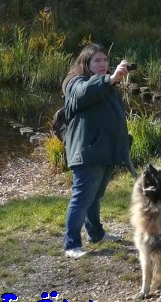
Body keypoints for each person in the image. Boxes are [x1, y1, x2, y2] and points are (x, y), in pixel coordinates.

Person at [61, 43, 134, 259]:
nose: (103, 65)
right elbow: (85, 93)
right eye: (97, 61)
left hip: (106, 152)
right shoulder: (75, 83)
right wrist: (109, 79)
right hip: (87, 152)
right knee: (82, 197)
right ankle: (71, 244)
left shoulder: (107, 86)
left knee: (94, 196)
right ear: (86, 64)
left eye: (105, 60)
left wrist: (123, 147)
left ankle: (97, 234)